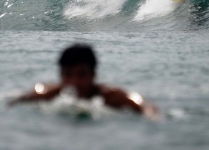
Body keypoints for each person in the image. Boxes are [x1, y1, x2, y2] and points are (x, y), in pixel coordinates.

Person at [11, 44, 158, 117]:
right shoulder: (48, 94)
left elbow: (146, 108)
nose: (74, 81)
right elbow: (15, 103)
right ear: (60, 75)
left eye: (81, 75)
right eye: (68, 74)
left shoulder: (111, 96)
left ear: (93, 75)